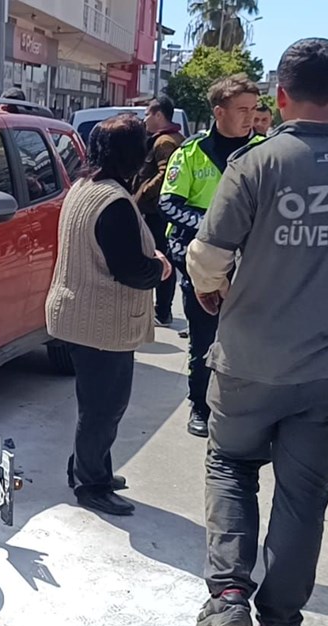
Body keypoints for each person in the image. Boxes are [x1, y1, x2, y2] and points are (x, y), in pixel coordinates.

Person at [187, 37, 328, 626]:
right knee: (303, 497)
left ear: (281, 97)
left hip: (248, 359)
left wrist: (212, 293)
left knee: (230, 462)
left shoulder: (257, 164)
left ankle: (229, 589)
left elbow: (207, 257)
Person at [45, 114, 173, 517]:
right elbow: (130, 269)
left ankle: (88, 468)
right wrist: (160, 267)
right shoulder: (114, 201)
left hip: (78, 312)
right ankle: (91, 484)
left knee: (95, 405)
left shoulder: (85, 186)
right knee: (104, 408)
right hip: (99, 320)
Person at [158, 74, 262, 438]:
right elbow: (168, 204)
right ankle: (200, 406)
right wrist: (216, 228)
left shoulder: (264, 153)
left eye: (254, 109)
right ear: (219, 112)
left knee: (250, 339)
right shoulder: (189, 153)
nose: (251, 117)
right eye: (242, 110)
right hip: (199, 262)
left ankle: (239, 409)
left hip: (252, 264)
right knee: (203, 339)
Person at [133, 94, 185, 327]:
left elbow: (165, 175)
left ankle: (162, 311)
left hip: (157, 212)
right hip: (161, 211)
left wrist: (141, 194)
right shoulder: (173, 137)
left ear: (159, 115)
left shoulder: (164, 142)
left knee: (159, 258)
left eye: (147, 115)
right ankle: (161, 310)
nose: (144, 120)